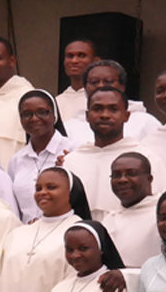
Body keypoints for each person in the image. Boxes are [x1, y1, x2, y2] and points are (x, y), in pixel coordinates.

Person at [63, 87, 148, 218]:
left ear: (126, 116)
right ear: (87, 116)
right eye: (97, 109)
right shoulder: (71, 161)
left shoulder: (144, 158)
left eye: (113, 109)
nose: (105, 115)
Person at [7, 89, 75, 221]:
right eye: (26, 114)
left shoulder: (72, 151)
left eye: (42, 112)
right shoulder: (16, 160)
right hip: (27, 235)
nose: (34, 118)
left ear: (54, 115)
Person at [62, 60, 160, 143]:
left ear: (122, 87)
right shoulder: (69, 127)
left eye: (108, 81)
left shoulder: (145, 122)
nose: (100, 86)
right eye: (94, 82)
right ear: (85, 87)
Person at [97, 153, 161, 266]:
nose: (122, 180)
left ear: (149, 179)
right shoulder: (109, 219)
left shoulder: (162, 215)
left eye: (131, 174)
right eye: (116, 175)